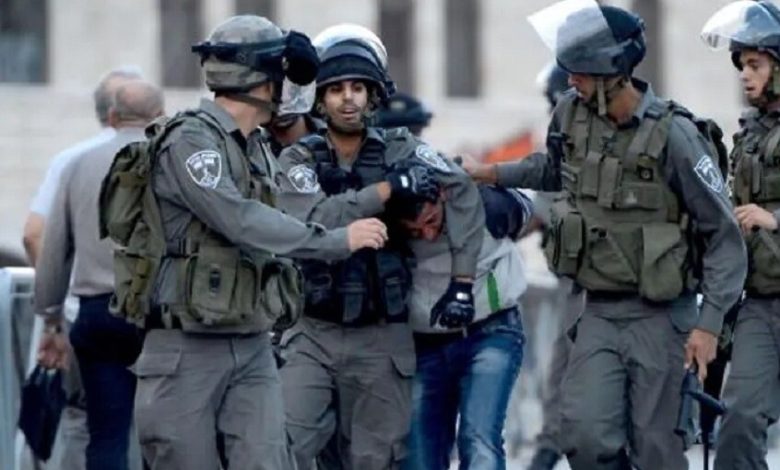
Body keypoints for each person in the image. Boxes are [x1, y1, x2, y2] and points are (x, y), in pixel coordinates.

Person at [94, 16, 388, 470]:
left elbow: (286, 215)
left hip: (251, 341)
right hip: (186, 347)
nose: (291, 89)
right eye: (284, 76)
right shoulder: (191, 141)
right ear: (262, 80)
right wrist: (335, 241)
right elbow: (240, 219)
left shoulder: (256, 147)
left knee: (270, 461)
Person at [465, 2, 746, 468]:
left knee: (657, 449)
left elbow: (723, 236)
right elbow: (552, 169)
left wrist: (709, 325)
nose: (571, 78)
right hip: (596, 312)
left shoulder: (676, 134)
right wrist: (490, 172)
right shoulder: (570, 114)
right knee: (584, 436)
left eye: (580, 70)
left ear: (611, 70)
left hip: (661, 319)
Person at [275, 24, 484, 469]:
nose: (347, 99)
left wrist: (462, 282)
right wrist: (386, 191)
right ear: (320, 99)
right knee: (283, 446)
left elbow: (463, 189)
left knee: (375, 458)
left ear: (373, 96)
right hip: (313, 330)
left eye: (357, 88)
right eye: (336, 90)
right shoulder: (298, 158)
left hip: (381, 334)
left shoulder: (401, 147)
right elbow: (310, 219)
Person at [35, 79, 164, 470]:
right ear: (160, 116)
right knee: (163, 434)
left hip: (99, 315)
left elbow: (54, 249)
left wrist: (51, 319)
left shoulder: (78, 164)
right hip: (161, 315)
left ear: (111, 116)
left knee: (106, 434)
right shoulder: (172, 160)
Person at [391, 182, 532, 470]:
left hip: (490, 331)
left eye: (431, 221)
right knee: (418, 452)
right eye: (415, 231)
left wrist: (502, 201)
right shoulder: (389, 228)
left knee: (478, 438)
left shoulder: (484, 206)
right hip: (424, 343)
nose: (427, 234)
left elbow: (528, 207)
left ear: (442, 198)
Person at [701, 2, 780, 468]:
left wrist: (775, 218)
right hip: (760, 304)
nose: (745, 76)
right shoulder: (750, 133)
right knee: (738, 422)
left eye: (756, 65)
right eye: (742, 66)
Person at [526, 62, 584, 470]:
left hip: (596, 288)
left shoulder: (579, 150)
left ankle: (550, 446)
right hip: (574, 283)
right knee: (561, 371)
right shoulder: (566, 149)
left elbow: (535, 214)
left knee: (568, 375)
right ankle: (548, 445)